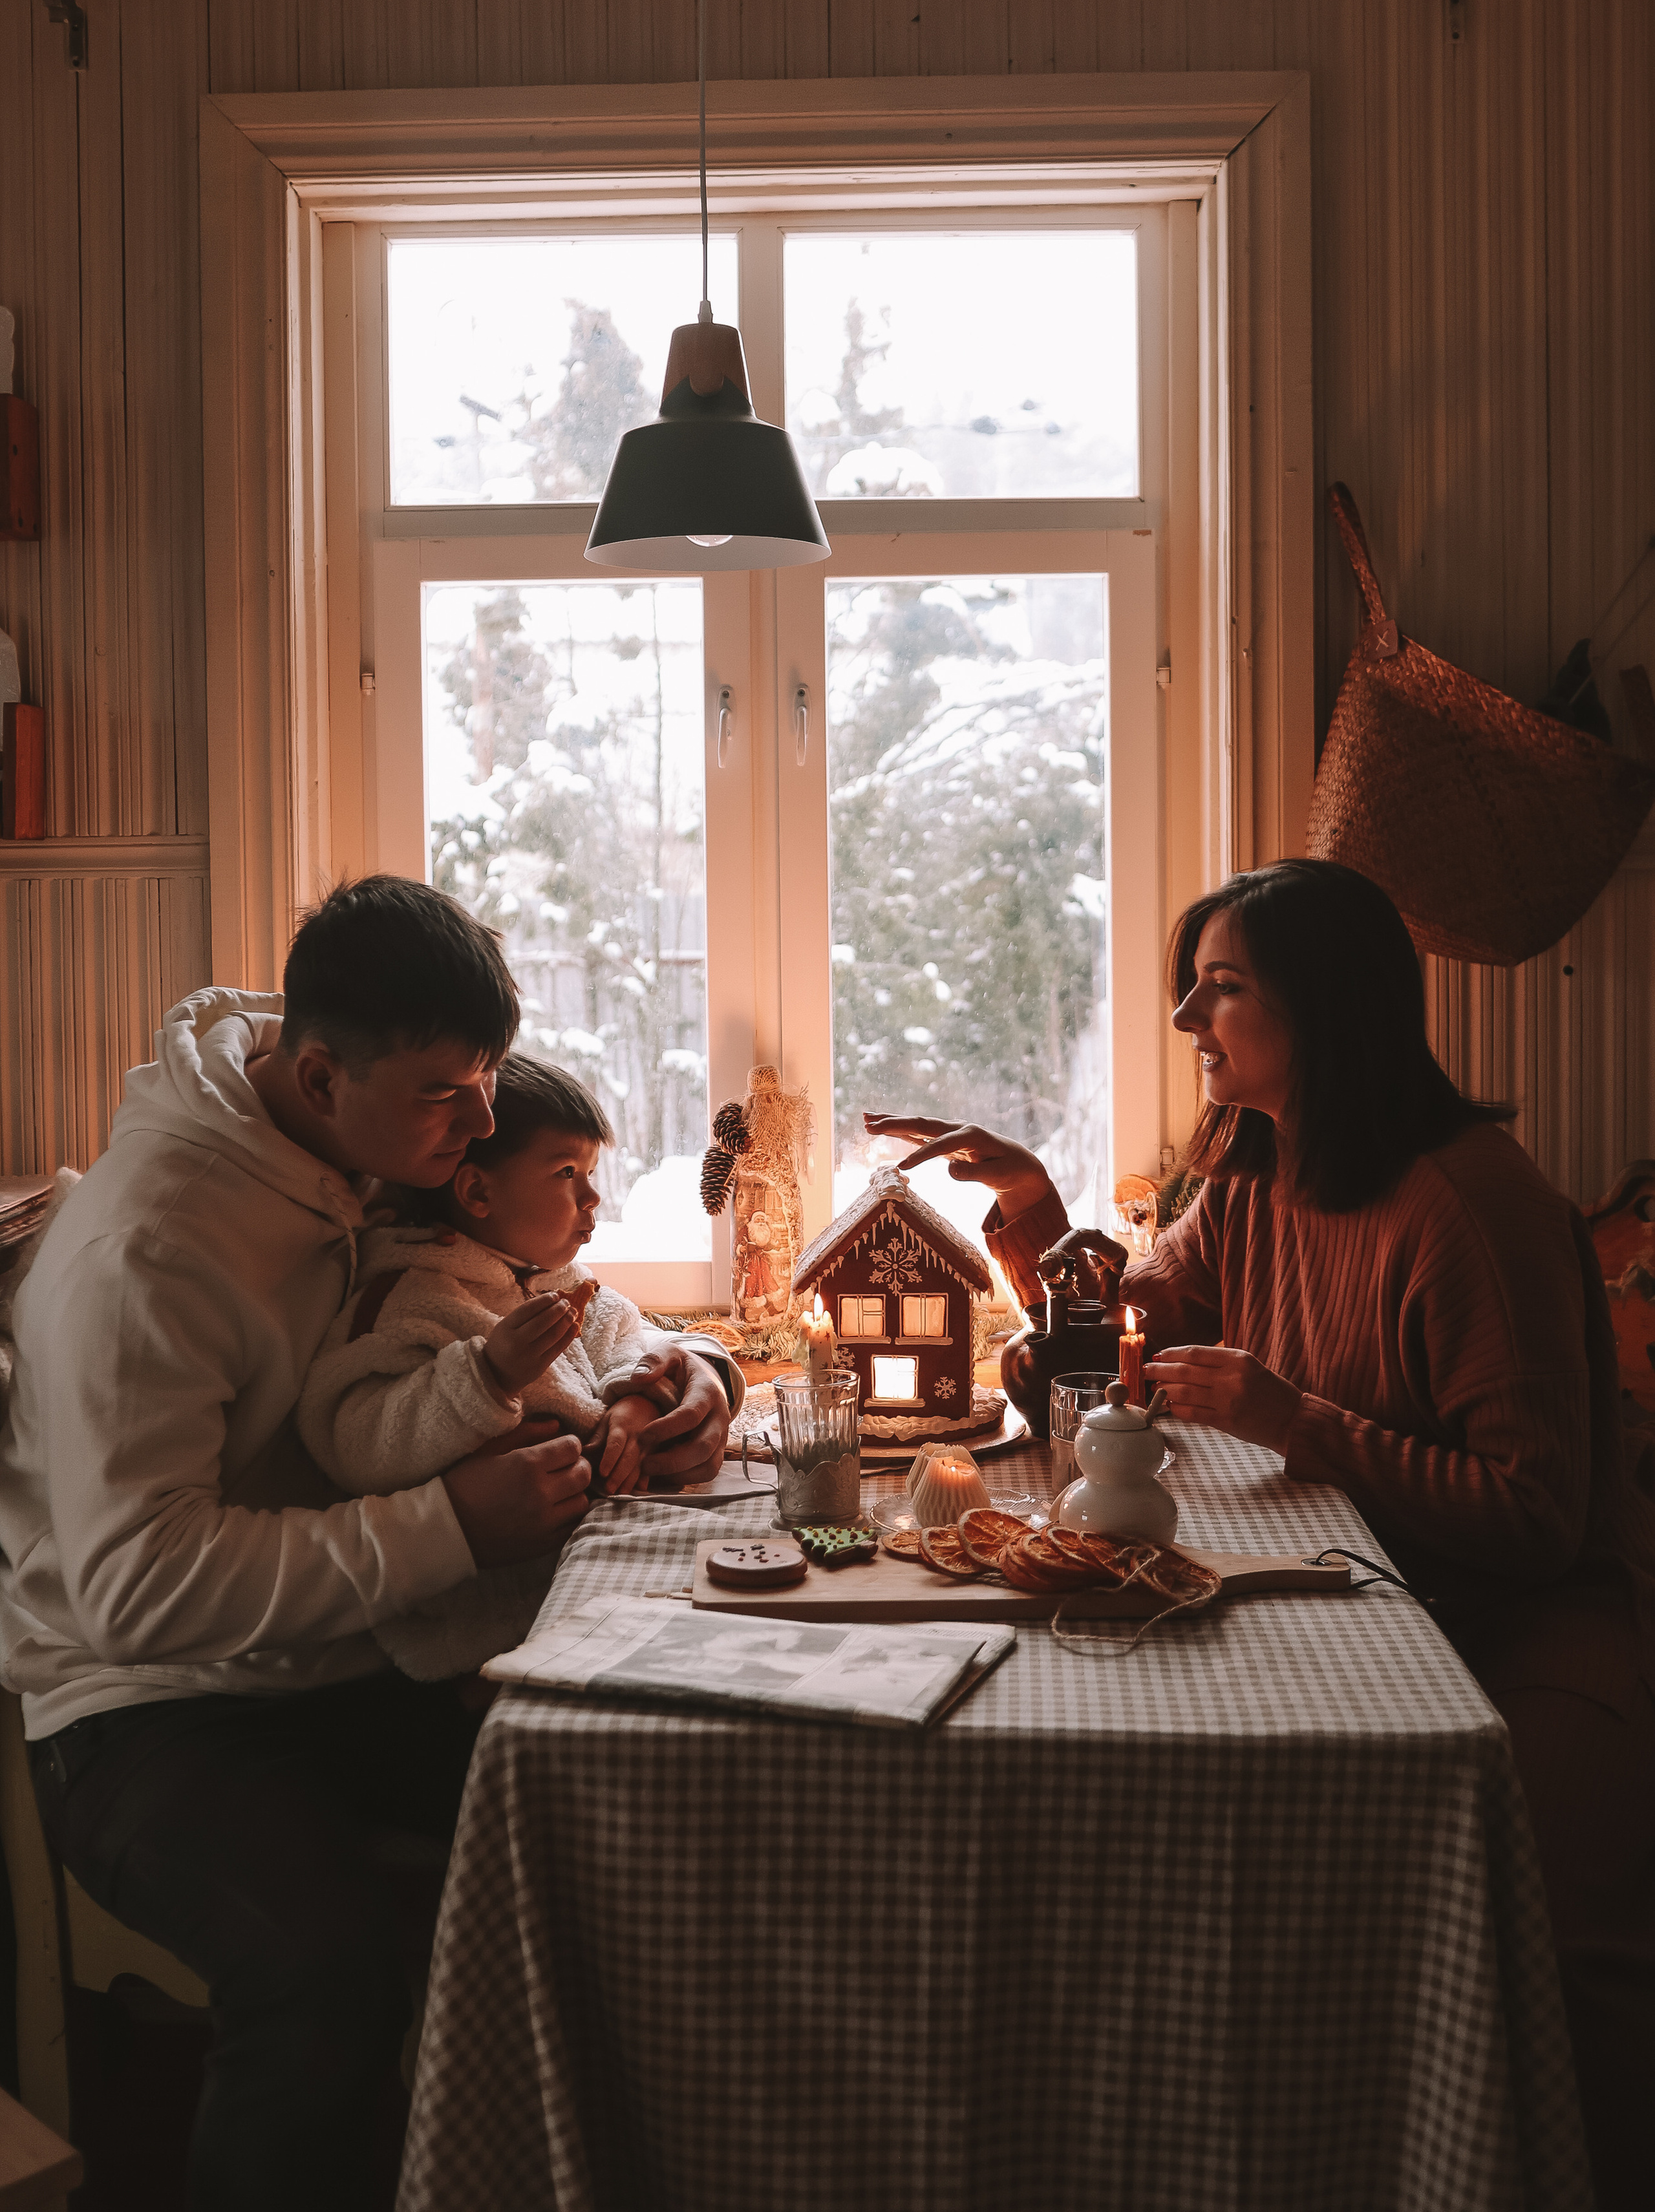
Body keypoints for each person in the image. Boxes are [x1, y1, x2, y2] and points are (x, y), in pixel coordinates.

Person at [870, 858, 1655, 2212]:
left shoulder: (1471, 1209)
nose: (1186, 1017)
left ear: (1324, 1007)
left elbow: (1532, 1520)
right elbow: (1140, 1319)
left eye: (1219, 989)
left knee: (1553, 1930)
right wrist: (1041, 1217)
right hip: (1341, 1589)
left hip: (1524, 1621)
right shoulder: (1246, 1166)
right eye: (1192, 986)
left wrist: (1301, 1420)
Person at [0, 877, 735, 2211]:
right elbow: (132, 1595)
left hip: (336, 1659)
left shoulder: (362, 1151)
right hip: (146, 1716)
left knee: (635, 1809)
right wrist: (448, 1523)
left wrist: (693, 1370)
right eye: (449, 1096)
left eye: (491, 1081)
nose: (486, 1125)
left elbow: (556, 1296)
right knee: (320, 1975)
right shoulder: (150, 1249)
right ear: (322, 1072)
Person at [297, 1052, 686, 1679]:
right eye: (567, 1173)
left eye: (591, 1171)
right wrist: (485, 1378)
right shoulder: (412, 1295)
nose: (592, 1197)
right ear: (477, 1190)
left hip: (584, 1596)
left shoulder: (554, 1280)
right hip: (475, 1641)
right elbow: (357, 1440)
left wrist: (636, 1395)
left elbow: (622, 1329)